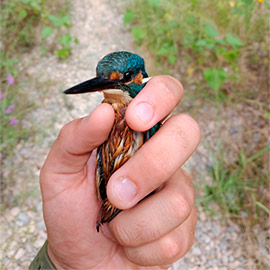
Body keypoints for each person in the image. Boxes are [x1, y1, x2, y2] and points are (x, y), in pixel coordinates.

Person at [29, 76, 201, 269]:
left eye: (124, 78)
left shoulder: (141, 116)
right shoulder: (107, 114)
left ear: (140, 78)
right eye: (102, 78)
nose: (107, 84)